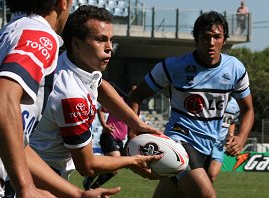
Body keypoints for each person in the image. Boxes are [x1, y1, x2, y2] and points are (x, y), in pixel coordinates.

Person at [0, 0, 121, 197]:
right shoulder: (41, 36)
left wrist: (77, 194)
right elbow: (0, 99)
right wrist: (26, 187)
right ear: (63, 3)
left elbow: (18, 142)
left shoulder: (5, 35)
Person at [29, 4, 162, 189]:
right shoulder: (71, 95)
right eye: (100, 40)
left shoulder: (72, 63)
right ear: (77, 43)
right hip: (40, 180)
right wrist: (132, 161)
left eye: (110, 40)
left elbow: (101, 86)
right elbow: (87, 166)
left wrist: (136, 124)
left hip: (41, 170)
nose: (110, 48)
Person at [128, 11, 254, 198]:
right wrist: (132, 134)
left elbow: (248, 109)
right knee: (207, 195)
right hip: (179, 142)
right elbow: (135, 97)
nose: (211, 43)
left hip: (208, 148)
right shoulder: (173, 66)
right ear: (196, 39)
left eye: (216, 37)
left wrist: (242, 137)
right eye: (205, 37)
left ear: (224, 40)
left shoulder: (235, 69)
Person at [83, 83, 136, 190]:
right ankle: (91, 178)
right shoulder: (119, 101)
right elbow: (100, 110)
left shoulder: (134, 106)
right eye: (133, 91)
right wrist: (105, 125)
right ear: (129, 92)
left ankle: (93, 186)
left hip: (120, 140)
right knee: (115, 160)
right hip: (109, 136)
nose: (134, 93)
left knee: (114, 170)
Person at [208, 97, 240, 183]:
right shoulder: (212, 97)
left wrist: (231, 135)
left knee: (212, 176)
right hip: (204, 141)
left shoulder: (235, 104)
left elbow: (232, 121)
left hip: (219, 145)